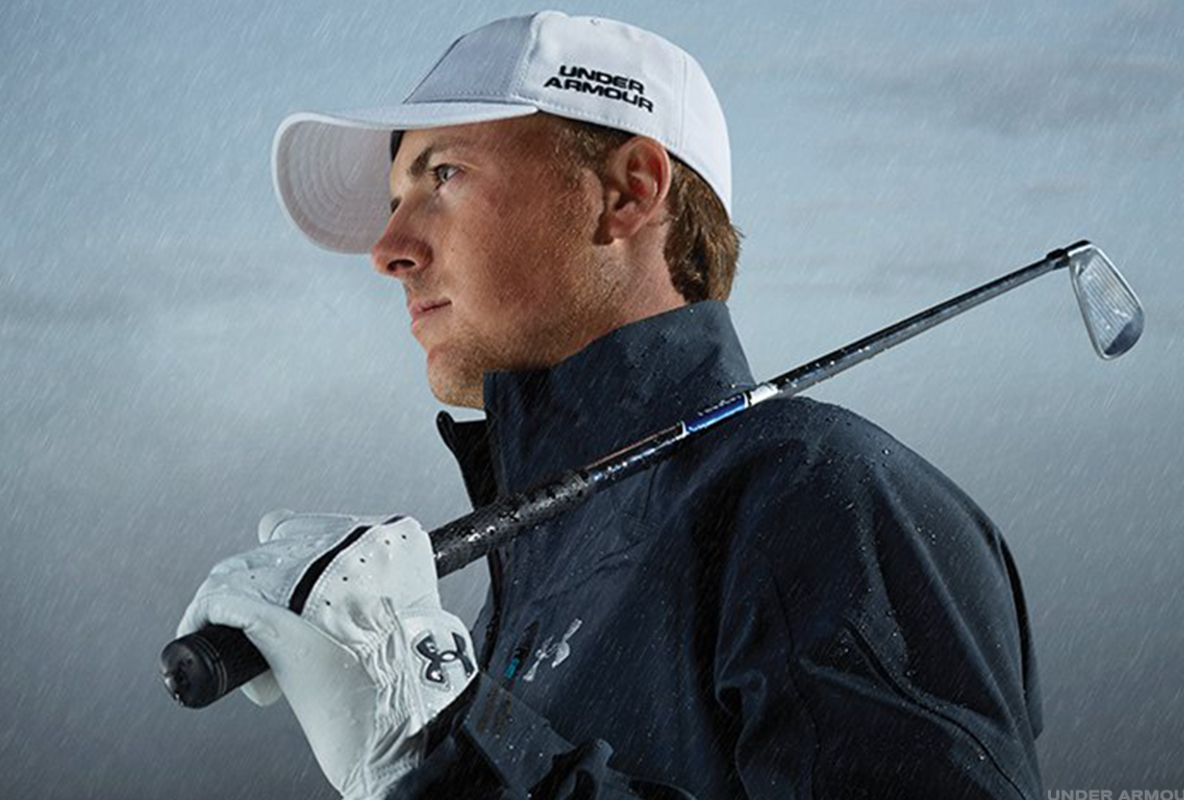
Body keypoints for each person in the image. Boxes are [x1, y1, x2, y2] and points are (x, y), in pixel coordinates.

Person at [177, 11, 1045, 799]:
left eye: (443, 173)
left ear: (630, 191)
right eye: (396, 199)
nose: (388, 248)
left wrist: (445, 751)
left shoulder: (821, 494)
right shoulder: (536, 578)